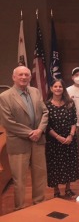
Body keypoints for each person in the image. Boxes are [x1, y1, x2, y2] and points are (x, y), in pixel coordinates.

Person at [0, 66, 48, 210]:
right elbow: (8, 122)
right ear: (14, 77)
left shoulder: (35, 91)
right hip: (19, 143)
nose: (24, 77)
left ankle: (39, 204)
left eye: (26, 75)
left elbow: (45, 113)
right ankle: (20, 208)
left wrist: (39, 130)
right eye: (20, 75)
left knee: (40, 175)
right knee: (19, 179)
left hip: (38, 140)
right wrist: (30, 133)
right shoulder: (5, 97)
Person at [45, 79, 79, 198]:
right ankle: (56, 191)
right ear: (51, 88)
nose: (58, 88)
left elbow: (74, 120)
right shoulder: (46, 105)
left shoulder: (70, 103)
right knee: (54, 166)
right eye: (55, 86)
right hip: (53, 141)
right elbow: (47, 125)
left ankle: (68, 189)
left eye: (60, 86)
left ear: (63, 89)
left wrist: (70, 135)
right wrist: (58, 137)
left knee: (69, 164)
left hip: (70, 139)